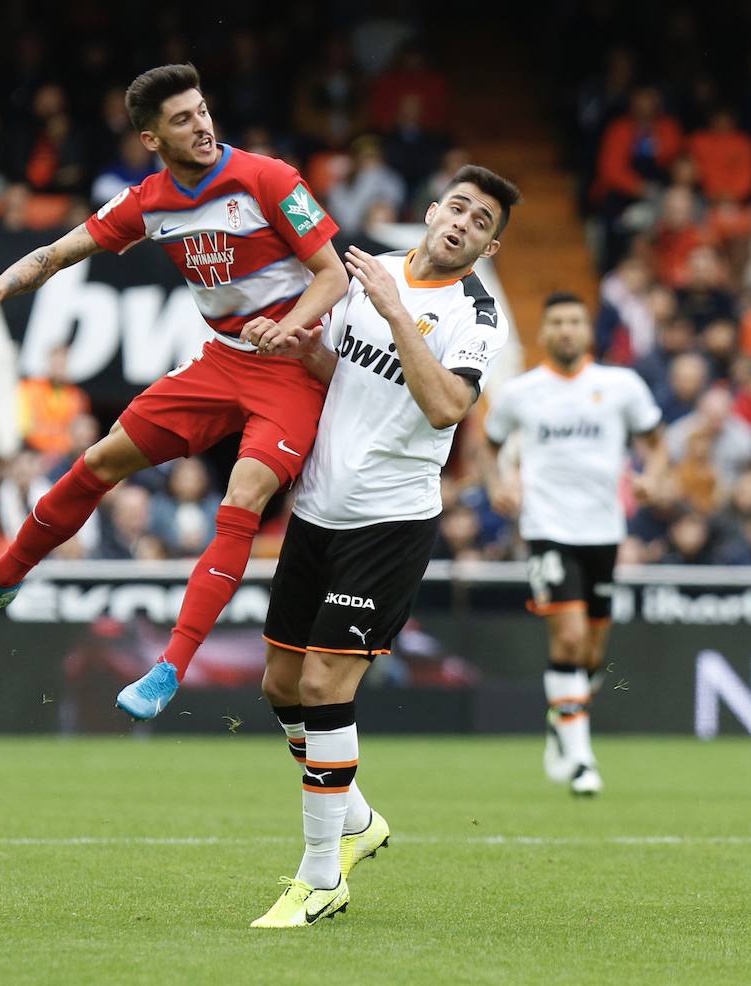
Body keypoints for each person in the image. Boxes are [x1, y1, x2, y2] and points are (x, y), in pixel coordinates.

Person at [0, 64, 348, 721]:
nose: (201, 126)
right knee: (98, 460)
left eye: (202, 111)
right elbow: (59, 253)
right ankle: (3, 576)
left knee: (243, 497)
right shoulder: (149, 202)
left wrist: (285, 327)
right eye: (182, 119)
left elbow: (332, 276)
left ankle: (169, 667)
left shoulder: (268, 178)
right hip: (223, 361)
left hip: (291, 370)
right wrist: (1, 286)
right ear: (151, 139)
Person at [250, 165, 519, 928]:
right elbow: (347, 376)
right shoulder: (363, 270)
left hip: (390, 521)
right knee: (279, 684)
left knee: (326, 686)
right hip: (318, 507)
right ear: (432, 210)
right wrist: (298, 350)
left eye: (481, 220)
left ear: (489, 243)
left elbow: (443, 409)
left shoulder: (476, 315)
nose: (463, 221)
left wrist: (399, 312)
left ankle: (320, 877)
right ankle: (359, 821)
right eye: (457, 206)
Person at [479, 291, 667, 796]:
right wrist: (499, 484)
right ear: (543, 332)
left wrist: (653, 476)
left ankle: (561, 726)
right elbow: (487, 444)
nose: (565, 330)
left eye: (574, 322)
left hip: (603, 530)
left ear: (588, 331)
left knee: (591, 651)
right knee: (567, 639)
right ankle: (581, 759)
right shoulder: (522, 392)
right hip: (546, 528)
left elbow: (655, 441)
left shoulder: (620, 386)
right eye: (556, 321)